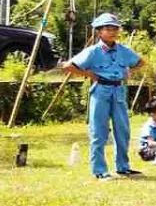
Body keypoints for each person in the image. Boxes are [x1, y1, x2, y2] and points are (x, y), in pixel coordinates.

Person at [61, 12, 144, 180]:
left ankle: (123, 167)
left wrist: (129, 70)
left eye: (115, 28)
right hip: (101, 91)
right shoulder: (93, 51)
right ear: (99, 31)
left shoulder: (123, 51)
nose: (113, 32)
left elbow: (140, 62)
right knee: (99, 131)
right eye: (108, 28)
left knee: (123, 130)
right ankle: (99, 170)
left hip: (119, 90)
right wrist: (89, 74)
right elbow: (68, 66)